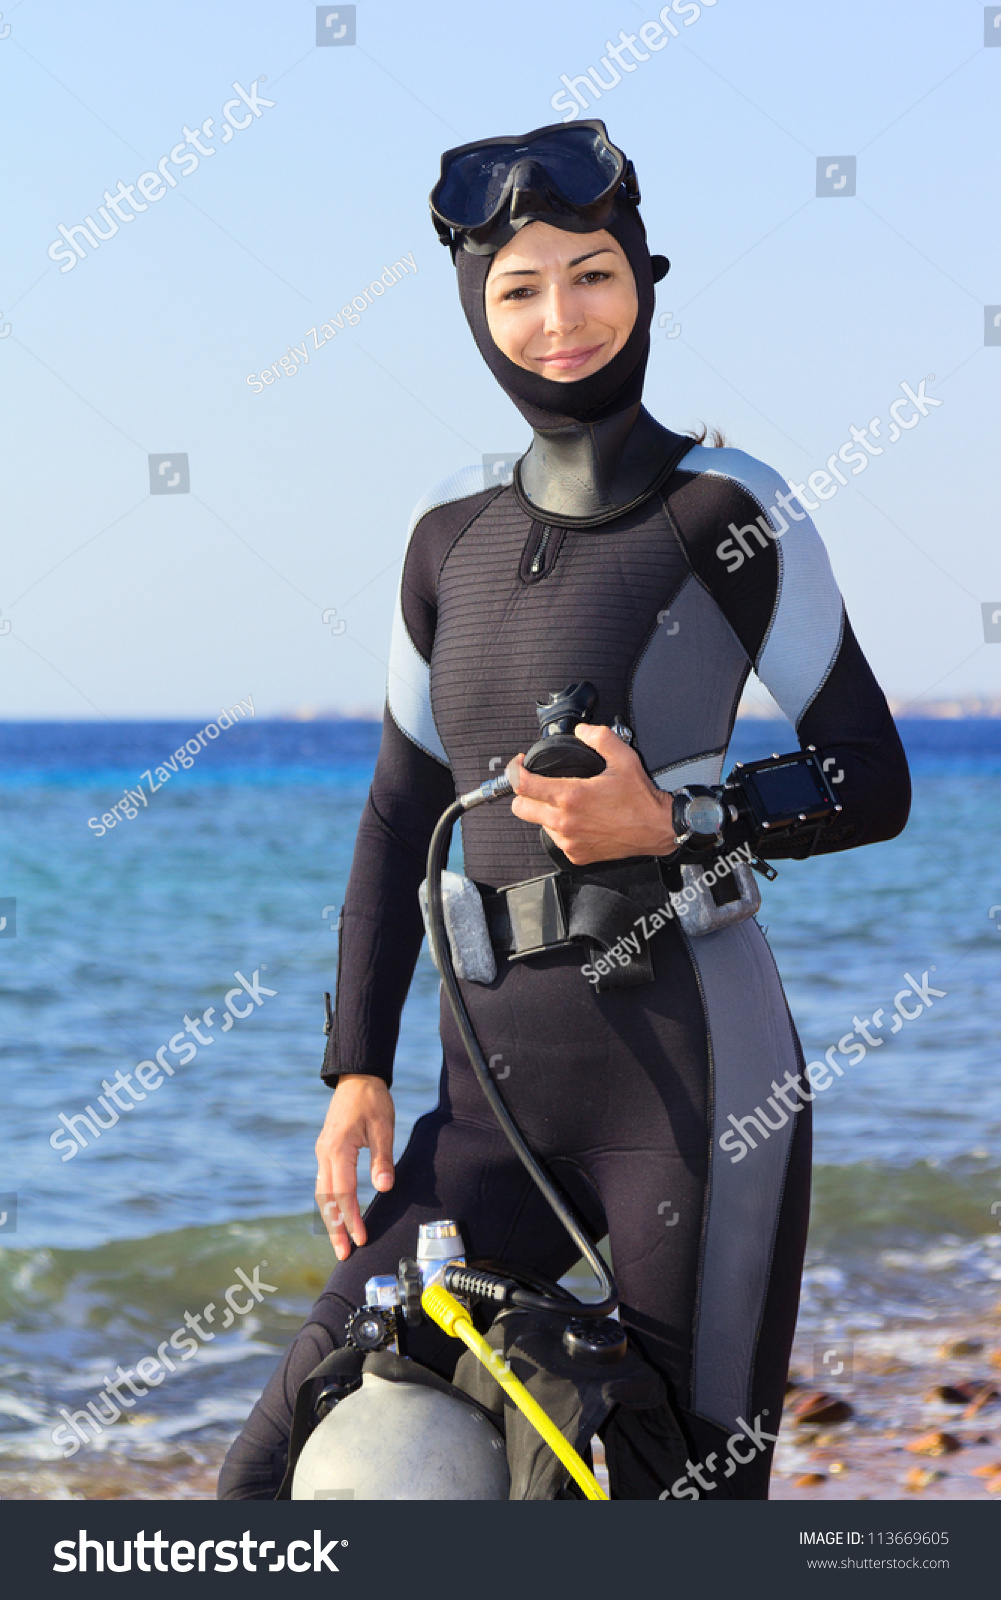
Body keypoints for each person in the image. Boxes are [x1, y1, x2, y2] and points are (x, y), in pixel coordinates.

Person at [219, 122, 910, 1500]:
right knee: (272, 1466)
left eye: (589, 275)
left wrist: (681, 826)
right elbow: (395, 810)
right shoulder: (444, 536)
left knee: (687, 1493)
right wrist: (355, 1068)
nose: (560, 318)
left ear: (643, 277)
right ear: (476, 311)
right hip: (483, 1114)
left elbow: (868, 776)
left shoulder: (731, 507)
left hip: (699, 1086)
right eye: (518, 288)